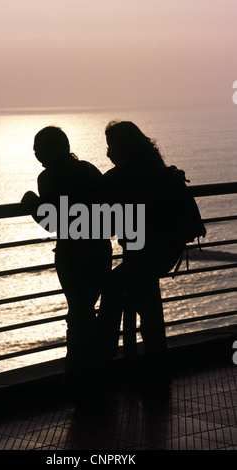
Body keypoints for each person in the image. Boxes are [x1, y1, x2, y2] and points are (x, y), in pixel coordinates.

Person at [98, 120, 191, 394]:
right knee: (148, 306)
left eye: (110, 147)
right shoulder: (157, 170)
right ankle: (156, 371)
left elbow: (98, 217)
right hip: (164, 251)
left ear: (122, 148)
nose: (108, 154)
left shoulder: (119, 177)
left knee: (115, 290)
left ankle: (104, 361)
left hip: (142, 255)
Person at [21, 126, 112, 396]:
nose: (36, 153)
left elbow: (51, 222)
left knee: (79, 312)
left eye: (39, 148)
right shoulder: (89, 170)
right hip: (99, 249)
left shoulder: (48, 178)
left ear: (49, 150)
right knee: (87, 311)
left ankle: (78, 377)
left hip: (72, 252)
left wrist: (31, 203)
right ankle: (95, 373)